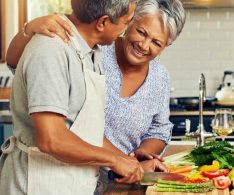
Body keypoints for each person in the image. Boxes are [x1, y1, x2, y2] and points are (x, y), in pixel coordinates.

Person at [7, 0, 186, 162]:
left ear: (165, 46)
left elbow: (158, 129)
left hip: (112, 176)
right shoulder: (93, 47)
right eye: (141, 32)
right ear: (129, 21)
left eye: (156, 42)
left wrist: (133, 161)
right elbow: (17, 63)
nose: (144, 45)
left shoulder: (159, 77)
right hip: (64, 169)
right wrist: (28, 29)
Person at [0, 0, 148, 195]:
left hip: (66, 183)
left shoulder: (90, 51)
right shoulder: (51, 50)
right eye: (127, 21)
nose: (126, 29)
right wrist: (114, 160)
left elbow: (84, 131)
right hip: (36, 185)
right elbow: (51, 139)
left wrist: (130, 162)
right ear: (102, 22)